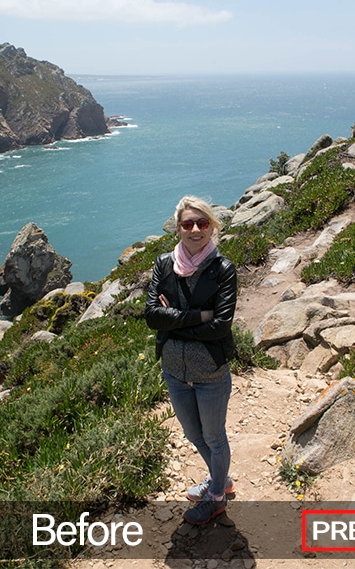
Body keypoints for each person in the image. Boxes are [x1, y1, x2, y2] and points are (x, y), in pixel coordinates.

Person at [145, 196, 238, 525]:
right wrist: (196, 316)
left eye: (202, 223)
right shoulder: (163, 264)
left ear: (212, 226)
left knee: (213, 436)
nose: (195, 229)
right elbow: (152, 316)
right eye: (188, 224)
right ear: (178, 228)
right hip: (173, 369)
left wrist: (176, 321)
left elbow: (220, 326)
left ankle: (216, 497)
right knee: (193, 434)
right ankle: (220, 480)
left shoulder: (223, 269)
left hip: (210, 370)